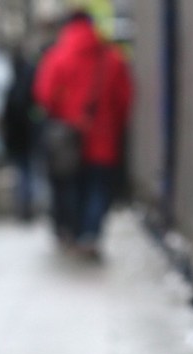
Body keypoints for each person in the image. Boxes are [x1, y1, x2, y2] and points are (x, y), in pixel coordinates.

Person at [33, 11, 132, 261]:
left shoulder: (56, 56)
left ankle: (76, 233)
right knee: (98, 189)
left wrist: (66, 114)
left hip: (69, 140)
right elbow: (125, 99)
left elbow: (45, 96)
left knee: (72, 189)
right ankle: (91, 234)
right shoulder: (112, 58)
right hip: (103, 139)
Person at [2, 47, 37, 222]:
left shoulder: (13, 87)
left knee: (23, 173)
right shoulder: (29, 83)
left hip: (19, 138)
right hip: (27, 136)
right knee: (27, 172)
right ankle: (27, 204)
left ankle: (24, 205)